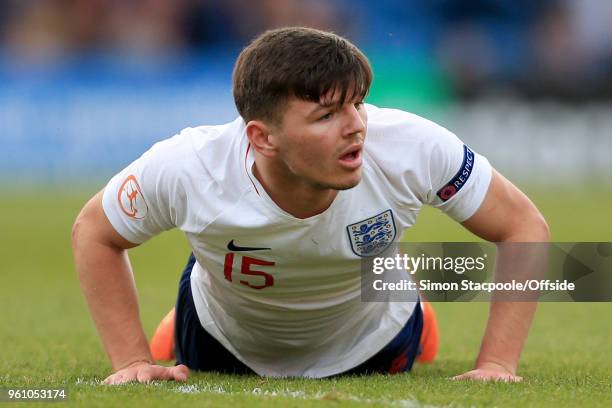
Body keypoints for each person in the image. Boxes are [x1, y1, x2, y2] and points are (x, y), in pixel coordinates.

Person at [72, 27, 549, 385]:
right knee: (170, 340)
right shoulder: (190, 167)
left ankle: (418, 311)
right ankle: (174, 326)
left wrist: (496, 364)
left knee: (396, 295)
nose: (356, 126)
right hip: (221, 343)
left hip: (376, 342)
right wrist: (133, 361)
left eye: (357, 104)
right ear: (262, 137)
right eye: (326, 115)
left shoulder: (412, 147)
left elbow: (523, 225)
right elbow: (94, 231)